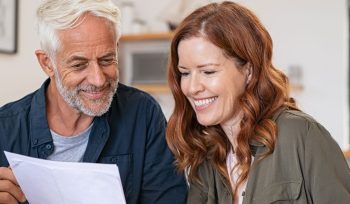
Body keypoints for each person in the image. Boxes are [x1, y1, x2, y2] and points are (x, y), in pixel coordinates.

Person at [0, 0, 187, 203]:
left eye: (107, 60)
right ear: (47, 63)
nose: (98, 80)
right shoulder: (5, 128)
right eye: (79, 65)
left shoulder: (143, 114)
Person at [166, 1, 350, 204]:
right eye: (184, 73)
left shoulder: (302, 135)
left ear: (249, 70)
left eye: (208, 72)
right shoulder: (207, 156)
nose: (192, 88)